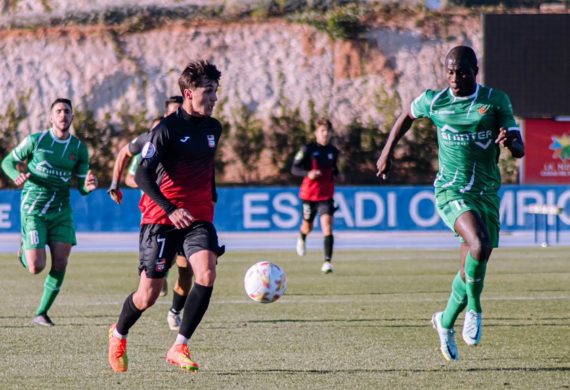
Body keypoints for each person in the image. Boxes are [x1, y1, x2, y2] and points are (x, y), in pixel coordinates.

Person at [376, 46, 525, 362]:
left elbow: (518, 145)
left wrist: (511, 142)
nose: (455, 78)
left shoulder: (494, 100)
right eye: (450, 72)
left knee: (470, 266)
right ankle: (475, 309)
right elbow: (406, 115)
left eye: (462, 72)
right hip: (451, 190)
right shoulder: (435, 100)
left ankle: (444, 323)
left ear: (475, 71)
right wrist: (387, 151)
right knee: (480, 245)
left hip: (486, 193)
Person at [108, 60, 224, 373]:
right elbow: (144, 175)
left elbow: (206, 170)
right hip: (161, 217)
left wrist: (210, 201)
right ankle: (118, 334)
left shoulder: (214, 129)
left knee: (206, 274)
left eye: (216, 91)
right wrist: (171, 209)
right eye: (208, 91)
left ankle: (179, 345)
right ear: (188, 93)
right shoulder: (166, 130)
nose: (214, 98)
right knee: (148, 295)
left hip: (198, 218)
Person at [1, 98, 98, 326]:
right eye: (58, 111)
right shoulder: (37, 140)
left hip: (61, 210)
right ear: (51, 117)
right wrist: (16, 175)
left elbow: (82, 187)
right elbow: (7, 162)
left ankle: (41, 313)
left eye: (67, 111)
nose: (63, 115)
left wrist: (89, 186)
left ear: (72, 117)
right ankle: (24, 250)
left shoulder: (78, 148)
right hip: (34, 208)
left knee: (61, 262)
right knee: (36, 267)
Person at [109, 112, 193, 331]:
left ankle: (175, 311)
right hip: (155, 216)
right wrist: (117, 183)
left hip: (185, 215)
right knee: (150, 289)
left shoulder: (190, 137)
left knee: (187, 270)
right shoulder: (148, 142)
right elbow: (132, 173)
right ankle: (119, 330)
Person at [291, 118, 339, 274]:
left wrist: (336, 174)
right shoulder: (307, 149)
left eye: (327, 131)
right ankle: (302, 237)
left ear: (331, 133)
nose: (325, 134)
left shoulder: (333, 151)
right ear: (316, 133)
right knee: (308, 226)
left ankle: (327, 262)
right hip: (309, 195)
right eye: (322, 131)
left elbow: (334, 169)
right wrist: (308, 173)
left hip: (326, 195)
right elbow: (294, 169)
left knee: (327, 227)